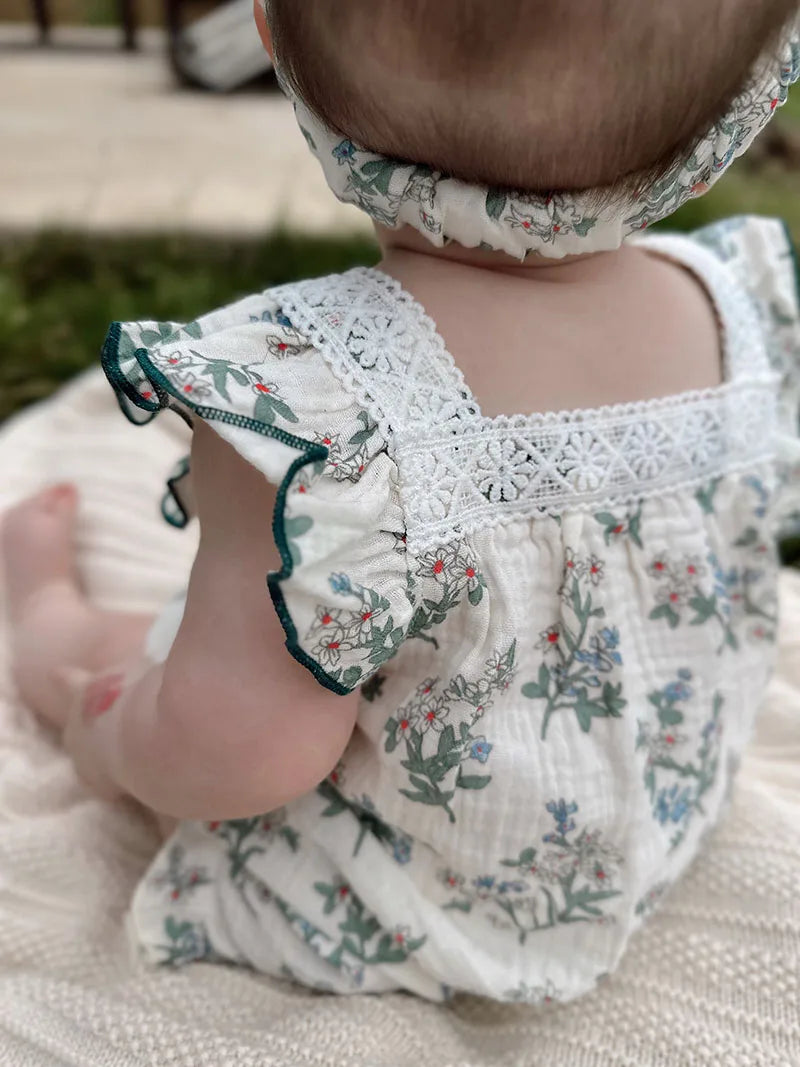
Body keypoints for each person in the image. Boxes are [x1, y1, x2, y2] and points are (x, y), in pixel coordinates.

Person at [3, 0, 799, 1004]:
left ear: (274, 44)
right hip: (650, 820)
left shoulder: (318, 411)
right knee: (256, 631)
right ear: (737, 105)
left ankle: (47, 625)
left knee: (152, 670)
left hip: (411, 897)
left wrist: (112, 731)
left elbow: (237, 750)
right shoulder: (726, 302)